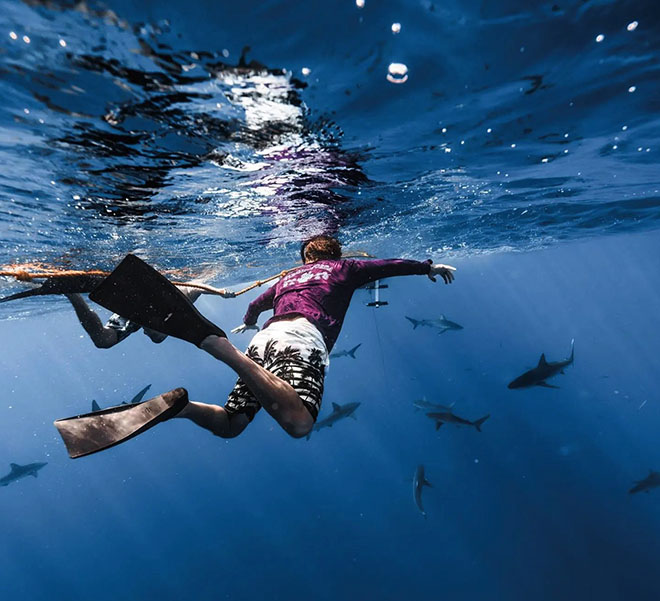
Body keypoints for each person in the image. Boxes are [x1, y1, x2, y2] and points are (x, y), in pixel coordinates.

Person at [176, 234, 456, 439]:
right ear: (337, 253)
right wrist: (428, 267)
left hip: (265, 339)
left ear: (305, 258)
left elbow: (255, 305)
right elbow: (389, 266)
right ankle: (222, 349)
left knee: (231, 424)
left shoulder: (288, 277)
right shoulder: (344, 268)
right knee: (300, 424)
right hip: (302, 339)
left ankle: (182, 409)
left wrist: (249, 323)